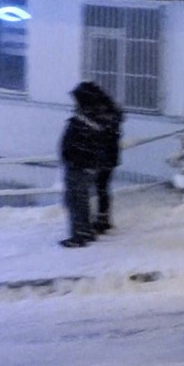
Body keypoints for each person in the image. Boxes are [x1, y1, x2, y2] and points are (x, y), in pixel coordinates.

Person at [58, 82, 103, 248]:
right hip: (84, 165)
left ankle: (80, 234)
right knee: (80, 199)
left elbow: (80, 143)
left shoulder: (85, 120)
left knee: (76, 200)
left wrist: (72, 157)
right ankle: (84, 231)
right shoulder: (93, 118)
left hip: (79, 166)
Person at [91, 87, 123, 234]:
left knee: (101, 187)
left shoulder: (105, 119)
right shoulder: (113, 117)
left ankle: (102, 219)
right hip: (110, 157)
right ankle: (103, 217)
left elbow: (103, 137)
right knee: (102, 188)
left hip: (104, 157)